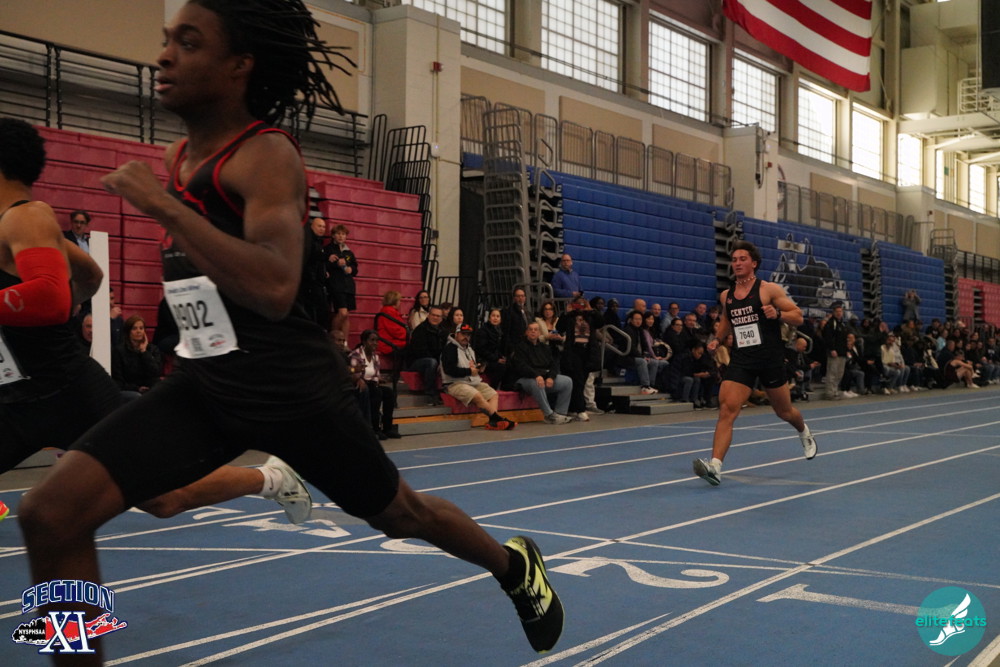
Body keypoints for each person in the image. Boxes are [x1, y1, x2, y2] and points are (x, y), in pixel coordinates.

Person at [17, 3, 562, 661]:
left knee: (401, 514)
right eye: (166, 40)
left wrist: (161, 206)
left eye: (188, 42)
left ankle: (514, 566)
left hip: (291, 391)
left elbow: (276, 287)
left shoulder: (264, 155)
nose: (164, 55)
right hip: (208, 383)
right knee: (50, 513)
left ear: (239, 65)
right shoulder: (180, 156)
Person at [0, 118, 311, 530]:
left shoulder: (26, 217)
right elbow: (90, 275)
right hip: (12, 398)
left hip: (69, 393)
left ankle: (272, 478)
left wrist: (58, 310)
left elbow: (51, 298)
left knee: (164, 497)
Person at [692, 241, 817, 486]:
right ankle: (715, 466)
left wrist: (778, 314)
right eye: (734, 259)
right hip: (742, 360)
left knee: (784, 412)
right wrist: (717, 339)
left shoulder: (768, 290)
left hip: (770, 359)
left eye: (742, 259)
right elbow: (727, 320)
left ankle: (804, 431)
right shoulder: (727, 295)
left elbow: (798, 317)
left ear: (754, 263)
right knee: (727, 410)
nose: (737, 263)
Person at [441, 323, 516, 430]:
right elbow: (449, 370)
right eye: (463, 334)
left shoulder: (469, 349)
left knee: (493, 394)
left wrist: (478, 368)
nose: (466, 337)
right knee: (477, 395)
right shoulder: (450, 349)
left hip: (471, 382)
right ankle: (497, 419)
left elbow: (471, 367)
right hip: (454, 383)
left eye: (468, 335)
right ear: (456, 334)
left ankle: (493, 421)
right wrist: (469, 371)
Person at [510, 322, 573, 424]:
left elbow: (553, 365)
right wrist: (536, 375)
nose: (533, 332)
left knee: (567, 381)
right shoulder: (520, 347)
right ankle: (549, 415)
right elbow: (521, 367)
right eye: (530, 329)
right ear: (526, 332)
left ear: (539, 333)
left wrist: (551, 377)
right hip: (524, 379)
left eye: (536, 329)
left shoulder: (545, 348)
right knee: (537, 383)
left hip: (543, 377)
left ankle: (560, 413)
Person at [349, 329, 399, 440]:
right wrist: (360, 379)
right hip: (360, 384)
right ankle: (375, 428)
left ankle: (388, 428)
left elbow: (376, 375)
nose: (375, 343)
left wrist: (380, 379)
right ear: (364, 341)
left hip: (372, 383)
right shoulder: (356, 354)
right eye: (372, 340)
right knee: (376, 392)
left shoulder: (375, 357)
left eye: (377, 341)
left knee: (389, 393)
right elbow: (354, 374)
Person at [111, 314, 163, 396]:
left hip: (150, 389)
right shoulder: (119, 351)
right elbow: (118, 381)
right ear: (128, 331)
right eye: (134, 328)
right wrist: (137, 388)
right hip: (131, 390)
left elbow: (156, 373)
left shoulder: (153, 349)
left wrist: (144, 352)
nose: (138, 331)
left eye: (141, 328)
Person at [406, 304, 447, 405]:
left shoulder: (444, 331)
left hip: (435, 359)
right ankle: (430, 394)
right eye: (433, 315)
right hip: (416, 361)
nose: (435, 317)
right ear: (428, 315)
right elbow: (420, 352)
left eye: (438, 316)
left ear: (442, 318)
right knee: (431, 362)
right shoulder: (420, 330)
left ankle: (448, 391)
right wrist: (439, 362)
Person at [324, 222, 358, 339]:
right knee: (342, 313)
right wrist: (334, 263)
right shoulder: (328, 249)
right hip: (336, 285)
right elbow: (323, 266)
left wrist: (351, 269)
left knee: (346, 316)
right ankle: (332, 339)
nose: (341, 236)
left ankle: (344, 343)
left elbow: (355, 268)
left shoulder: (349, 252)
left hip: (349, 286)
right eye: (338, 234)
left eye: (343, 234)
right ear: (333, 235)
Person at [821, 301, 849, 400]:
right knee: (832, 373)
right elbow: (827, 337)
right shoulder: (831, 323)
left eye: (840, 311)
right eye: (837, 311)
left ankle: (835, 391)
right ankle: (829, 393)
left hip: (842, 353)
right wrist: (832, 349)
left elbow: (844, 339)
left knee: (839, 374)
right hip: (834, 353)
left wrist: (846, 350)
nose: (839, 313)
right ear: (833, 312)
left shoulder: (842, 324)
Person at [473, 307, 507, 380]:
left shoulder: (499, 331)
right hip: (484, 360)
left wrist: (501, 357)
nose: (495, 318)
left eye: (498, 316)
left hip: (494, 358)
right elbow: (481, 349)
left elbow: (497, 348)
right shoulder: (483, 331)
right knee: (501, 367)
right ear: (489, 318)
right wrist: (496, 359)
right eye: (493, 316)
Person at [375, 289, 407, 361]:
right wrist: (409, 335)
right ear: (394, 301)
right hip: (388, 344)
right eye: (399, 300)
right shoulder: (389, 311)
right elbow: (396, 331)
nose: (400, 303)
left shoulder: (388, 311)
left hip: (391, 342)